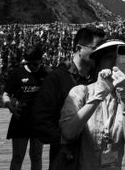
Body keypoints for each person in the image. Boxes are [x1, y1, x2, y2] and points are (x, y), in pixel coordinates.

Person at [60, 38, 125, 170]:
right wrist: (98, 96)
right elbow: (68, 133)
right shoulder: (81, 92)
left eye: (121, 57)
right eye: (109, 57)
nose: (115, 62)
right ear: (99, 63)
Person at [32, 25, 105, 167]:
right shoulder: (57, 78)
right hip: (67, 158)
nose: (101, 53)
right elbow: (41, 120)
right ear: (79, 49)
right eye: (96, 48)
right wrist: (63, 140)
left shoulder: (99, 79)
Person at [2, 44, 50, 170]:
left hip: (38, 119)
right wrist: (9, 105)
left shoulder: (45, 73)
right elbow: (6, 95)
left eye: (37, 64)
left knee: (36, 155)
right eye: (32, 64)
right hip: (21, 118)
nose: (35, 67)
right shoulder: (17, 74)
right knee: (18, 156)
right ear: (26, 62)